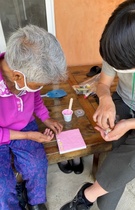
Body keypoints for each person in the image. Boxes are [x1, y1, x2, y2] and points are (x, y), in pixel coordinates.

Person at [60, 0, 135, 209]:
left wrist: (130, 124)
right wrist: (105, 100)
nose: (116, 68)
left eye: (124, 68)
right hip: (122, 101)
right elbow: (103, 82)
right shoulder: (120, 41)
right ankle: (95, 196)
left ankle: (86, 195)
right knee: (116, 141)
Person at [0, 24, 67, 210]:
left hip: (25, 125)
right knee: (2, 188)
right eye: (37, 84)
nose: (38, 89)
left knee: (36, 165)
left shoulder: (24, 78)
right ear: (17, 76)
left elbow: (35, 97)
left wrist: (45, 117)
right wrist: (29, 136)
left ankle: (36, 201)